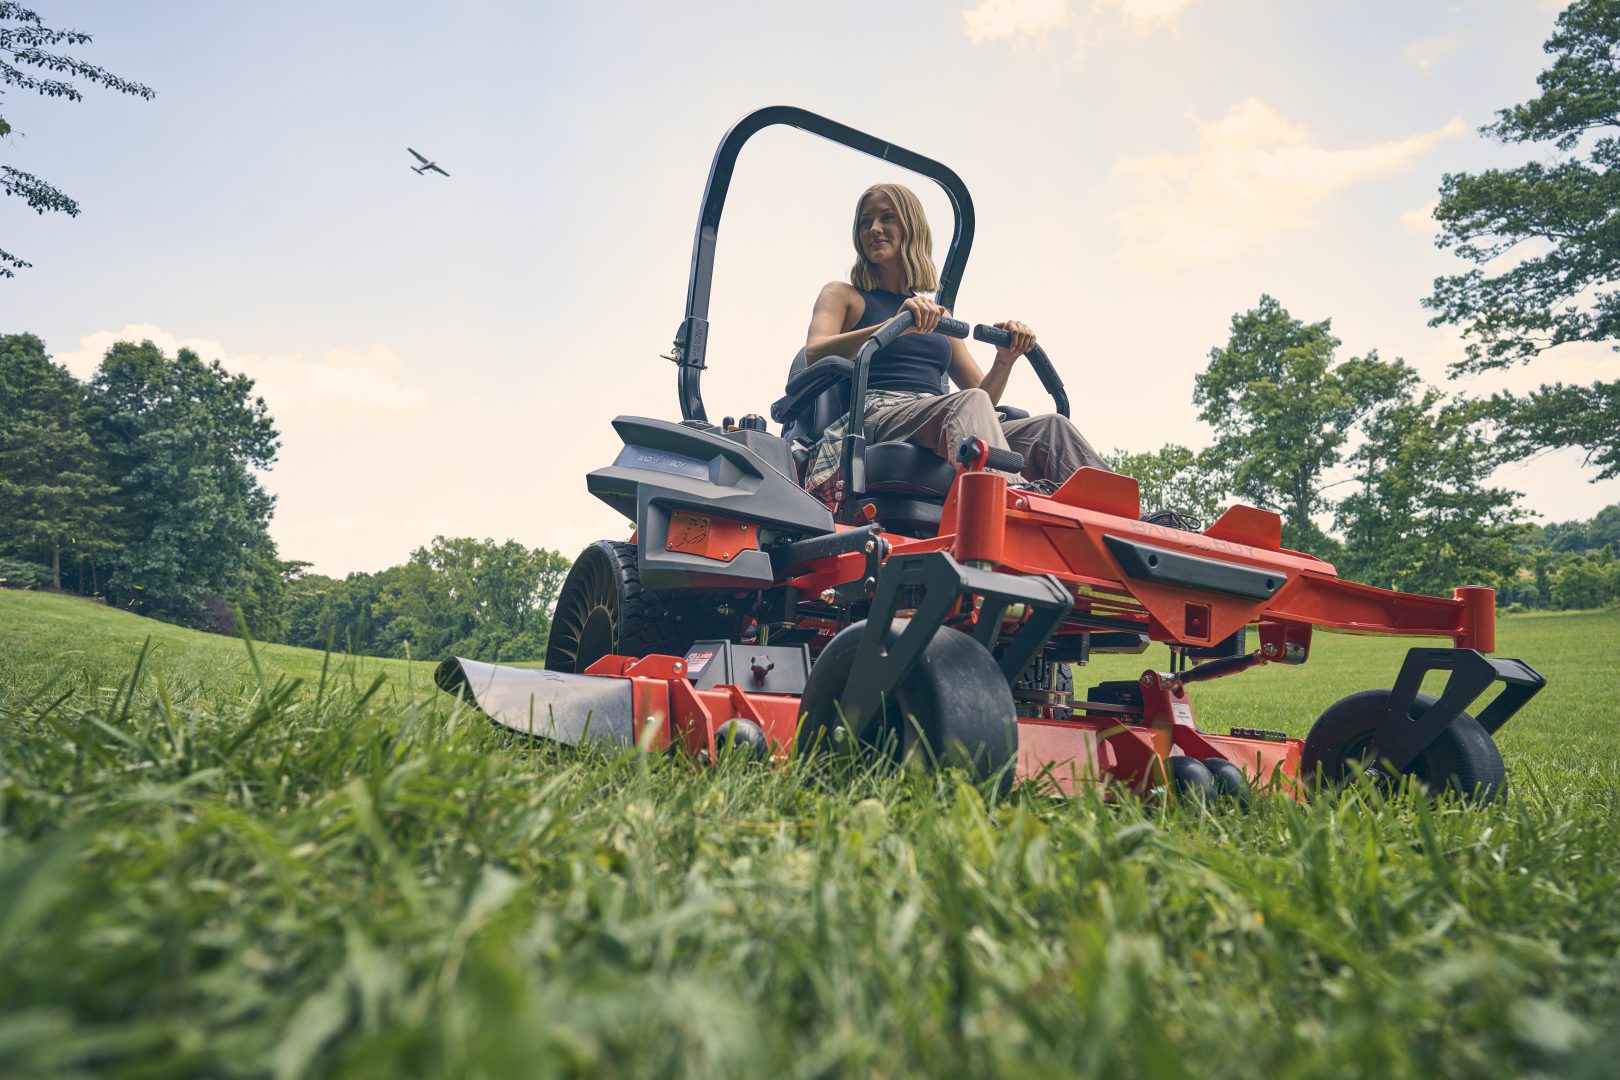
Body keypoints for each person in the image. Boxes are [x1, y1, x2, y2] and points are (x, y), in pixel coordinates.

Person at [801, 182, 1111, 510]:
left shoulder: (938, 316)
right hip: (876, 415)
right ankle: (1016, 503)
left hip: (936, 413)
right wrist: (893, 327)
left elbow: (983, 398)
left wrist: (1004, 359)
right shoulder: (842, 294)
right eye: (865, 222)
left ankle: (1129, 521)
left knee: (1052, 427)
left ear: (911, 227)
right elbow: (814, 353)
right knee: (965, 404)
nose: (874, 228)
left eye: (886, 217)